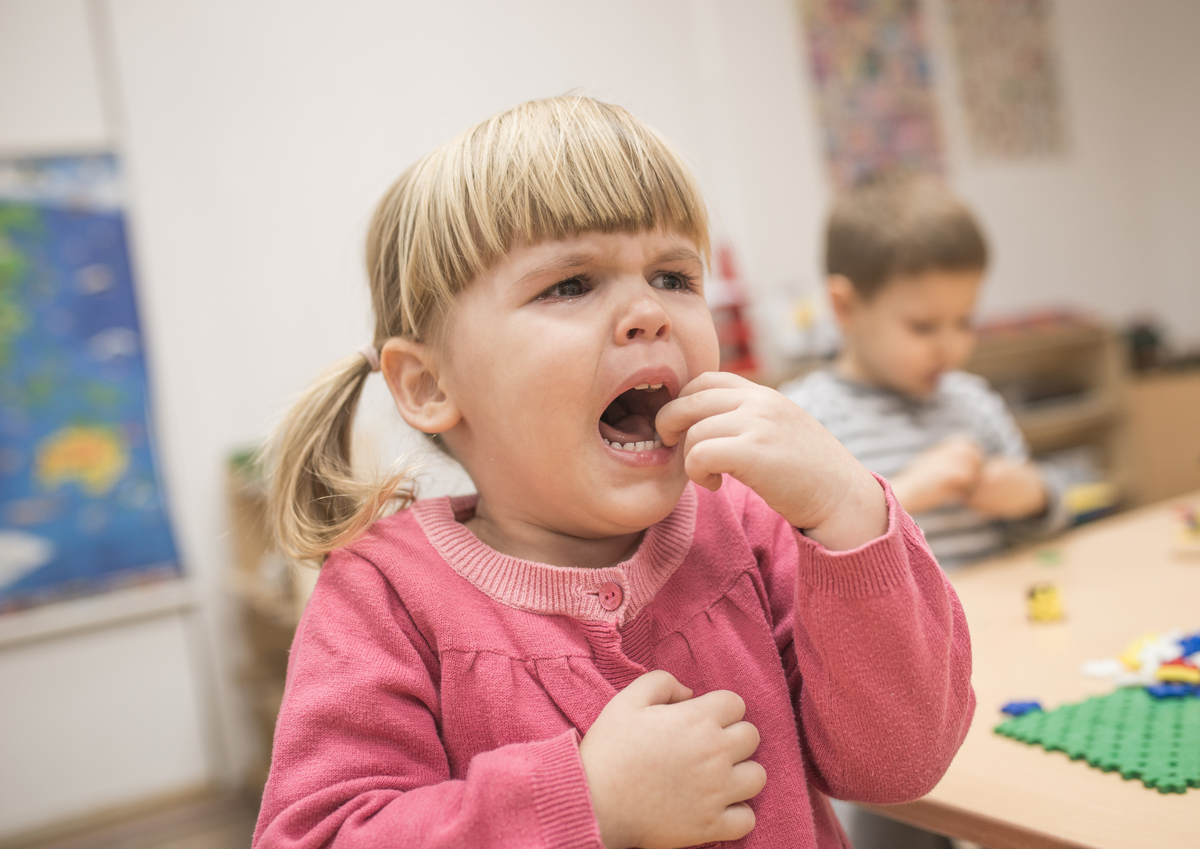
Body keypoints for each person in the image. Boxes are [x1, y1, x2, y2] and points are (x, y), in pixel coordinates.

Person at [253, 97, 974, 849]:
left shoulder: (748, 524)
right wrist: (583, 803)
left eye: (672, 276)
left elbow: (901, 764)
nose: (648, 312)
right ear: (430, 385)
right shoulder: (384, 598)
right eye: (570, 285)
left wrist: (849, 510)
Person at [783, 173, 1068, 570]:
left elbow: (1046, 524)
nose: (951, 346)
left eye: (965, 321)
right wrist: (907, 494)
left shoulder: (973, 403)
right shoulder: (804, 419)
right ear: (845, 307)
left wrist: (1032, 495)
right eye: (923, 326)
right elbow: (788, 563)